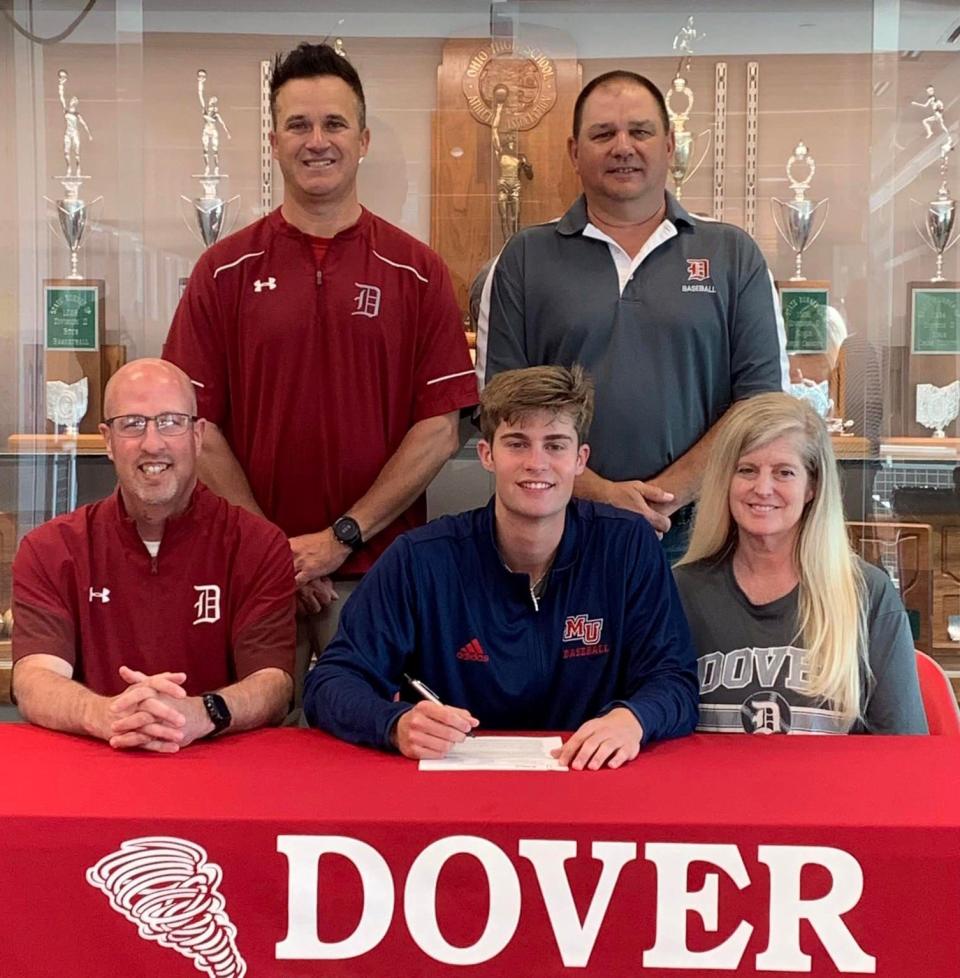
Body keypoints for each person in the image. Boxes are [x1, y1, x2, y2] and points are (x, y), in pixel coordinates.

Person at [163, 43, 478, 689]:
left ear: (362, 140)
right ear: (274, 141)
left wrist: (338, 538)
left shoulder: (417, 272)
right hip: (247, 577)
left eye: (334, 124)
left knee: (365, 763)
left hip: (377, 576)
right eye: (299, 125)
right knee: (246, 760)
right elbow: (195, 424)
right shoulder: (222, 271)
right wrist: (273, 551)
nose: (317, 141)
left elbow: (441, 428)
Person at [304, 365, 698, 770]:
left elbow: (675, 680)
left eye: (556, 445)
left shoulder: (627, 547)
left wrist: (633, 719)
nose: (536, 463)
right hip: (453, 793)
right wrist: (394, 723)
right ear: (487, 455)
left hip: (592, 782)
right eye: (517, 443)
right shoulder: (420, 559)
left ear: (581, 460)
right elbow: (331, 681)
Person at [477, 70, 788, 561]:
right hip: (560, 530)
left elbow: (762, 408)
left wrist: (665, 496)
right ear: (574, 152)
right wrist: (602, 494)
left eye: (639, 131)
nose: (623, 146)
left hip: (701, 534)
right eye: (603, 134)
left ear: (669, 146)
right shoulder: (523, 258)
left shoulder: (733, 254)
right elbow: (499, 409)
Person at [11, 359, 296, 752]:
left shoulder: (259, 546)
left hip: (222, 774)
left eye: (170, 422)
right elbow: (34, 679)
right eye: (132, 424)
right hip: (92, 772)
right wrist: (106, 713)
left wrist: (199, 713)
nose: (152, 443)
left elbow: (273, 683)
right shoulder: (50, 550)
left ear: (197, 436)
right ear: (107, 440)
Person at [673, 393, 927, 735]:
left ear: (812, 487)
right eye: (747, 470)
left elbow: (903, 754)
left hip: (834, 789)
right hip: (711, 788)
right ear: (725, 481)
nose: (763, 488)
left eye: (784, 473)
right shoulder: (679, 591)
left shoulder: (868, 594)